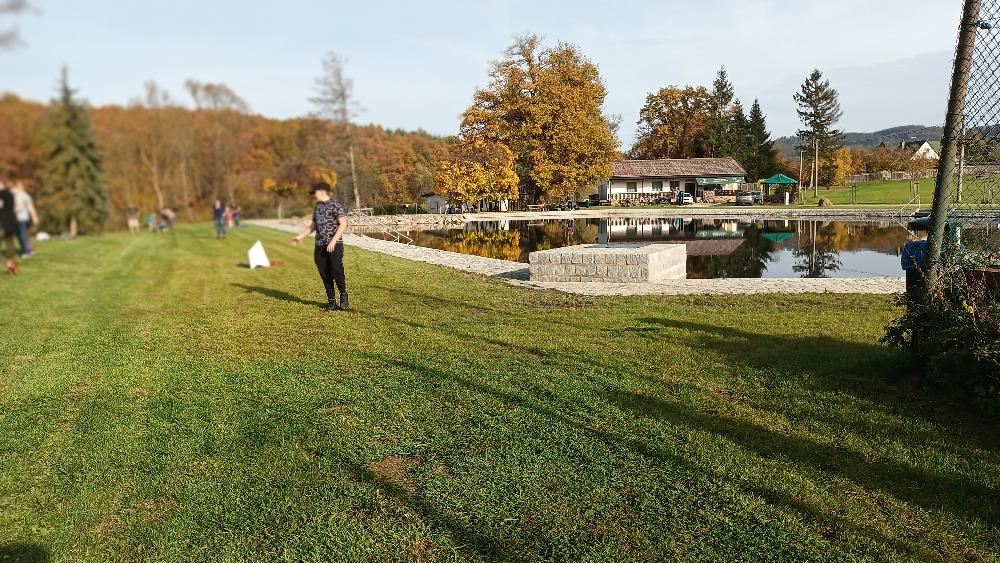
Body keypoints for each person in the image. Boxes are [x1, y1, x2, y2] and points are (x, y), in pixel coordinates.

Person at [291, 181, 349, 311]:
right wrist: (300, 236)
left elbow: (343, 224)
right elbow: (313, 226)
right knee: (325, 273)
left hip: (334, 244)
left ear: (322, 192)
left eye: (315, 192)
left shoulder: (334, 204)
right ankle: (331, 301)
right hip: (320, 245)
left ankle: (343, 295)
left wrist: (333, 241)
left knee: (336, 270)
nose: (314, 195)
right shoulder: (317, 207)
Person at [12, 182, 37, 257]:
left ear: (17, 188)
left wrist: (34, 216)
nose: (11, 190)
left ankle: (26, 252)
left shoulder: (23, 196)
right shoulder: (15, 196)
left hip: (23, 218)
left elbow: (30, 207)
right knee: (21, 235)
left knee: (23, 235)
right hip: (17, 219)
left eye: (13, 189)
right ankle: (29, 250)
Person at [0, 181, 19, 275]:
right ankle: (12, 264)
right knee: (10, 244)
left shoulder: (1, 195)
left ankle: (9, 264)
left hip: (1, 222)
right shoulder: (10, 194)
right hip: (11, 222)